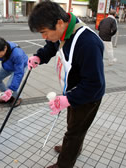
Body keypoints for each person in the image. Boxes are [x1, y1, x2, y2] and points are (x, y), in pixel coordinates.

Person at [28, 1, 105, 168]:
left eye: (44, 32)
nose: (44, 37)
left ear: (60, 23)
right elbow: (52, 44)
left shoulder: (88, 43)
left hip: (88, 97)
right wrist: (39, 57)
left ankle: (64, 163)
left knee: (74, 132)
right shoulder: (62, 32)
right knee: (74, 125)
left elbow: (94, 85)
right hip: (72, 90)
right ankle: (73, 148)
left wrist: (68, 99)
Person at [0, 37, 28, 107]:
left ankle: (17, 97)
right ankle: (9, 96)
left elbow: (18, 73)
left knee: (10, 85)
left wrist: (11, 89)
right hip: (7, 65)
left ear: (5, 48)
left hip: (20, 66)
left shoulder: (17, 54)